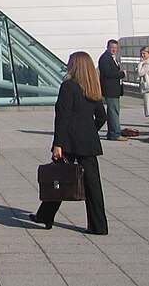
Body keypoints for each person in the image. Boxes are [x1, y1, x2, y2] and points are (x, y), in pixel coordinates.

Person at [29, 52, 108, 235]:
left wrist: (58, 143)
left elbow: (63, 117)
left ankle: (45, 215)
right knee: (93, 185)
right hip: (88, 143)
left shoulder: (69, 86)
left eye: (70, 62)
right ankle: (99, 225)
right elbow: (102, 117)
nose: (67, 64)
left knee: (59, 178)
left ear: (75, 65)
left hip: (70, 141)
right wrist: (89, 131)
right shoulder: (92, 87)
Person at [97, 40, 126, 141]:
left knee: (113, 111)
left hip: (114, 89)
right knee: (114, 111)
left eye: (115, 48)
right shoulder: (105, 59)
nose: (114, 49)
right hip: (110, 90)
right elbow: (107, 73)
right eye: (112, 47)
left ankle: (112, 132)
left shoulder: (113, 58)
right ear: (107, 47)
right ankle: (115, 133)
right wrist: (121, 74)